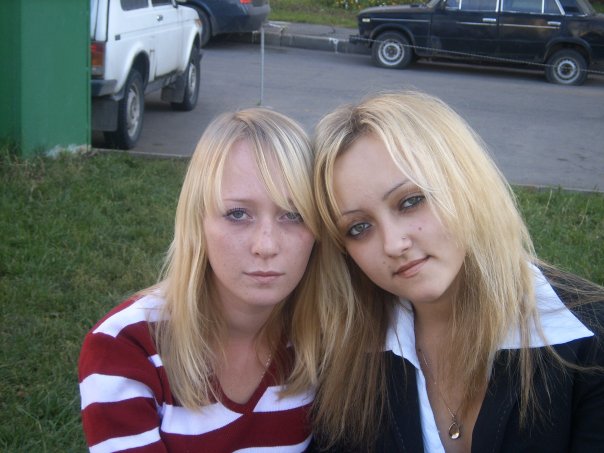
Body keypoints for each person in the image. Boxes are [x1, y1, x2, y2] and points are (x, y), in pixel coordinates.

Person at [310, 91, 604, 452]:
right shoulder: (342, 357)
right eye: (359, 227)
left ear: (465, 182)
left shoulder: (590, 341)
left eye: (410, 201)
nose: (393, 244)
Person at [78, 108, 325, 452]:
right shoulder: (125, 348)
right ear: (198, 222)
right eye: (237, 214)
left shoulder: (323, 341)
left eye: (294, 215)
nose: (266, 245)